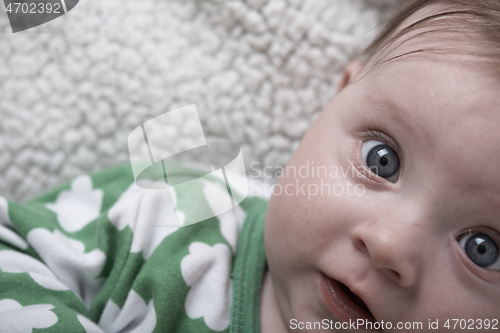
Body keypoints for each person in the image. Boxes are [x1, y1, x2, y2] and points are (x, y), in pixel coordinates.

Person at [0, 0, 499, 332]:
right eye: (381, 160)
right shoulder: (178, 207)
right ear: (336, 99)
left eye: (484, 248)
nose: (391, 245)